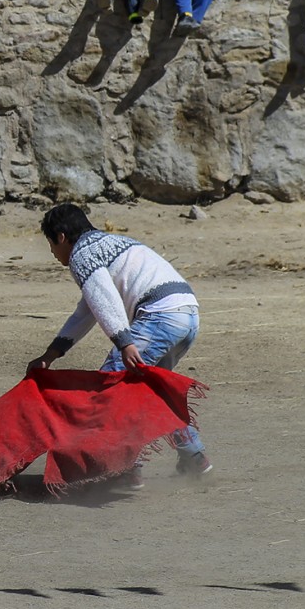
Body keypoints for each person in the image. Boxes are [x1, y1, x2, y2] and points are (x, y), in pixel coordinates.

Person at [27, 203, 211, 489]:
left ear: (61, 237)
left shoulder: (83, 253)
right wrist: (51, 354)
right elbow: (88, 310)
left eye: (51, 244)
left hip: (159, 316)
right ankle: (194, 457)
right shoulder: (110, 242)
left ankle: (126, 470)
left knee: (114, 387)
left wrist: (124, 342)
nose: (52, 253)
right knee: (152, 391)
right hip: (187, 313)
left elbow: (103, 301)